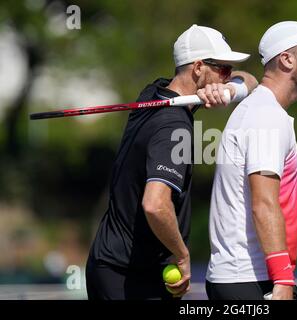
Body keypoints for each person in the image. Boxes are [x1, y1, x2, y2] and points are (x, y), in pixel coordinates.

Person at [86, 24, 258, 300]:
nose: (227, 75)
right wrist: (181, 254)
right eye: (222, 69)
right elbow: (155, 204)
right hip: (129, 276)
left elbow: (250, 80)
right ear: (199, 68)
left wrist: (227, 90)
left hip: (106, 263)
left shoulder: (154, 92)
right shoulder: (172, 127)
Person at [206, 21, 297, 300]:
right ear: (287, 59)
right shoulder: (266, 117)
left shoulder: (260, 109)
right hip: (251, 280)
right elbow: (264, 203)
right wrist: (283, 279)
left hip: (245, 278)